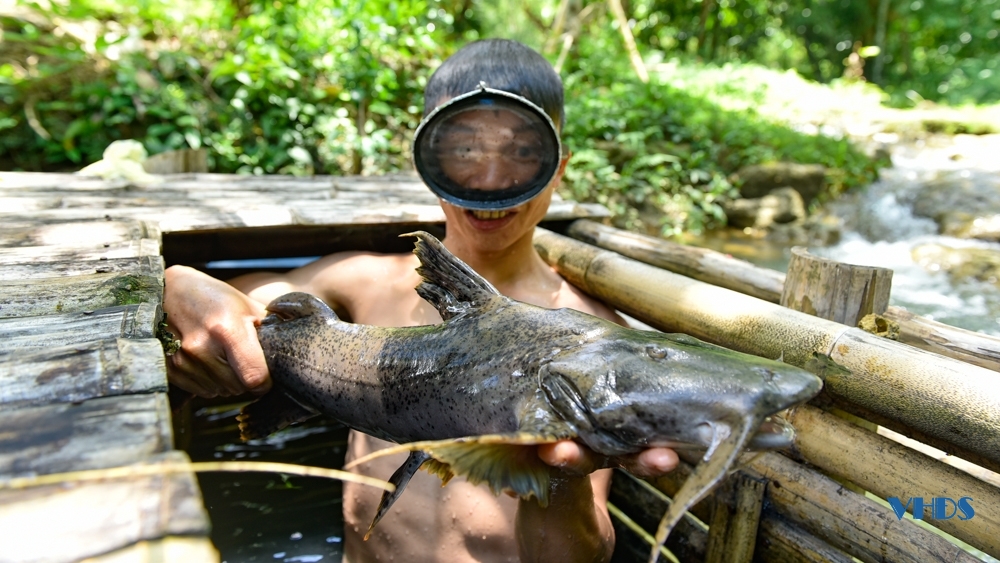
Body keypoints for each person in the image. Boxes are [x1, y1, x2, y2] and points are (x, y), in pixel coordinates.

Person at [163, 38, 678, 563]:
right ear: (428, 159)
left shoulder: (596, 341)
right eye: (465, 152)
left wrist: (557, 474)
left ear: (558, 166)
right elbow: (270, 295)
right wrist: (189, 287)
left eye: (522, 153)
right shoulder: (369, 282)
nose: (491, 181)